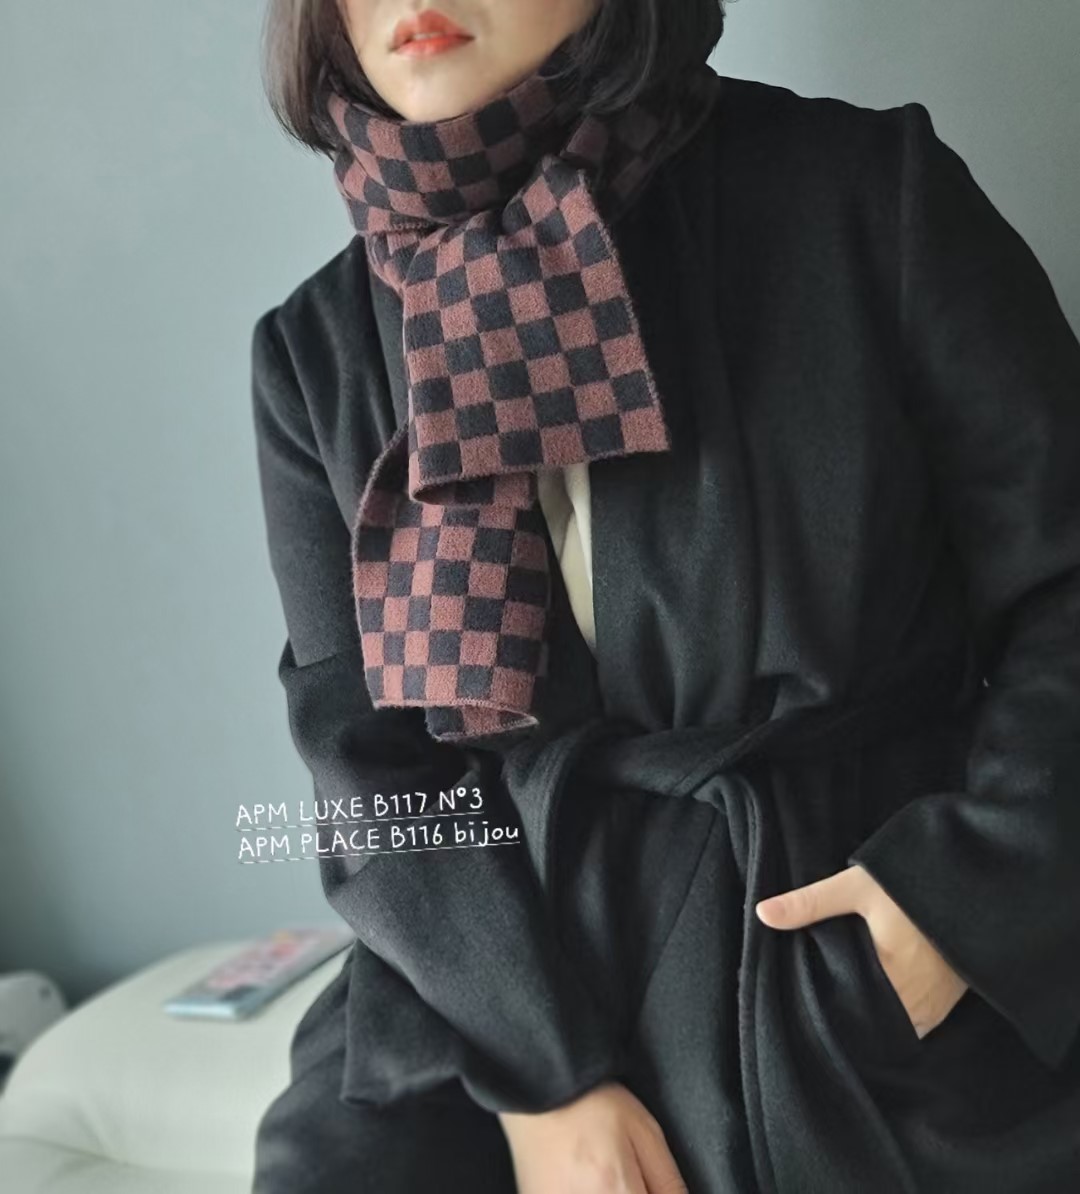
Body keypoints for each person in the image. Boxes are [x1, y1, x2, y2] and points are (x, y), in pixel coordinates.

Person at [248, 1, 1080, 1191]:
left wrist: (959, 904)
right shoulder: (314, 350)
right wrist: (542, 1077)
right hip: (486, 992)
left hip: (822, 962)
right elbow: (372, 769)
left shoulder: (859, 196)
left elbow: (1063, 583)